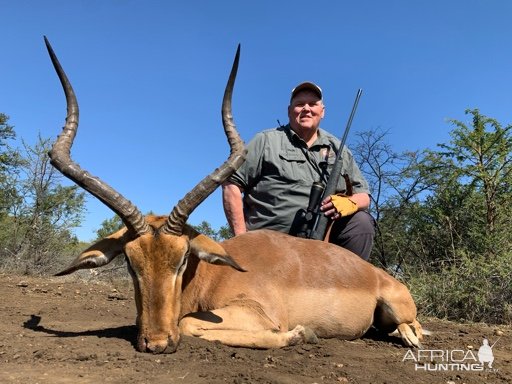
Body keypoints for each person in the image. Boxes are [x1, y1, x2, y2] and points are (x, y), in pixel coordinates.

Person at [222, 81, 375, 260]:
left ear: (322, 111)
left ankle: (345, 286)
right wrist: (241, 242)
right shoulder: (265, 140)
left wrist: (351, 203)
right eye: (300, 104)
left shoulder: (339, 149)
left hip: (320, 244)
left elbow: (364, 196)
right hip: (266, 245)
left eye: (313, 104)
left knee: (362, 223)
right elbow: (231, 185)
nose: (306, 109)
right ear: (289, 111)